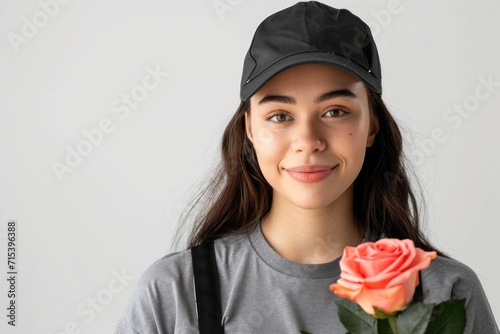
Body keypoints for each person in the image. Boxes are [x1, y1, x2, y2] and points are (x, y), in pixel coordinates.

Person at [114, 2, 499, 333]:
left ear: (372, 126)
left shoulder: (445, 293)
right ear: (249, 128)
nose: (308, 139)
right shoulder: (173, 293)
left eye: (335, 111)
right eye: (280, 115)